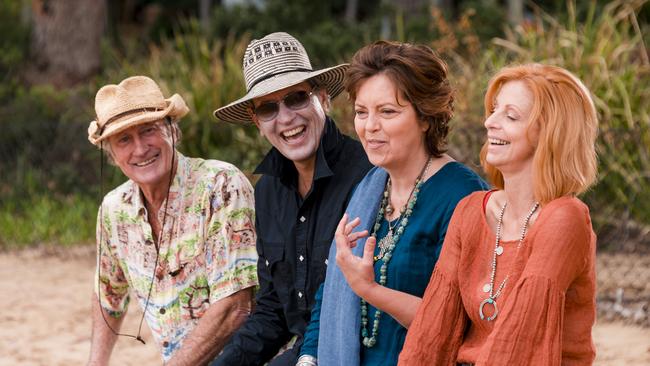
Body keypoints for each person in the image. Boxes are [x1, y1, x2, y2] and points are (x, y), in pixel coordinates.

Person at [299, 41, 489, 366]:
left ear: (426, 117)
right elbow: (331, 291)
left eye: (387, 111)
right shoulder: (370, 189)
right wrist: (307, 359)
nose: (369, 126)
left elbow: (456, 323)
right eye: (361, 112)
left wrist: (370, 290)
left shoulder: (463, 196)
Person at [398, 64, 599, 365]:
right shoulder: (471, 211)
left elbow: (518, 343)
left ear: (550, 132)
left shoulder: (563, 218)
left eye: (511, 115)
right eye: (493, 110)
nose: (490, 122)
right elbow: (431, 333)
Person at [210, 32, 372, 366]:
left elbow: (351, 306)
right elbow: (273, 311)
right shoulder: (267, 192)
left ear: (323, 99)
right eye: (269, 108)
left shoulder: (366, 174)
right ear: (257, 121)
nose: (285, 118)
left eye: (296, 98)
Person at [86, 76, 258, 365]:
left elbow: (235, 308)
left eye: (149, 130)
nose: (140, 148)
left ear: (173, 132)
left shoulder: (220, 185)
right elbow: (108, 297)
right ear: (112, 155)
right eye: (124, 139)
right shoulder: (113, 210)